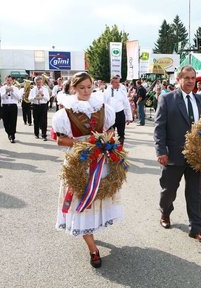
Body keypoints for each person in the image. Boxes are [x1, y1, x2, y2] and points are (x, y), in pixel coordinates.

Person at [52, 72, 121, 268]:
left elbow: (110, 131)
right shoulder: (64, 112)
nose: (86, 91)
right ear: (73, 88)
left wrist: (106, 140)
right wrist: (81, 143)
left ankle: (91, 233)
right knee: (80, 205)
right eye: (81, 88)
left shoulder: (103, 107)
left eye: (89, 87)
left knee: (96, 201)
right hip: (78, 165)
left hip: (99, 163)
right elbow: (59, 140)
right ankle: (93, 249)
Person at [154, 66, 201, 244]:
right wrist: (161, 151)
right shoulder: (167, 99)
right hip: (173, 155)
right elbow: (159, 127)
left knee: (195, 192)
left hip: (197, 156)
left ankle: (196, 227)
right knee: (169, 190)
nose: (190, 81)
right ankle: (165, 211)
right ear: (178, 79)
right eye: (186, 77)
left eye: (193, 78)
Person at [104, 75, 133, 144]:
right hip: (110, 116)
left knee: (121, 134)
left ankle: (120, 150)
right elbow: (103, 105)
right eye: (116, 82)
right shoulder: (106, 92)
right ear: (112, 83)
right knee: (110, 136)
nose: (118, 84)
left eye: (118, 82)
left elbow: (126, 105)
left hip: (120, 114)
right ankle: (111, 152)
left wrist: (129, 117)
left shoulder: (122, 92)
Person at [29, 76, 50, 141]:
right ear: (35, 82)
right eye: (37, 82)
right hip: (36, 105)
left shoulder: (45, 89)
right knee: (36, 120)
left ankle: (44, 135)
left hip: (43, 105)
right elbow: (29, 99)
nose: (39, 83)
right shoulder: (33, 90)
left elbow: (48, 99)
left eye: (40, 82)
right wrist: (35, 97)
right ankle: (36, 134)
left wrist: (43, 95)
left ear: (42, 82)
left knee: (44, 121)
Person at [0, 76, 20, 143]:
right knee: (6, 122)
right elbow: (0, 97)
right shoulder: (2, 88)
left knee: (13, 121)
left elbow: (18, 98)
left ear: (12, 81)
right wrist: (6, 92)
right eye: (7, 80)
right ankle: (8, 133)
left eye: (10, 80)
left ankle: (12, 135)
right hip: (5, 106)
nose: (9, 81)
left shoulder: (15, 88)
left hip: (13, 106)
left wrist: (12, 91)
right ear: (5, 81)